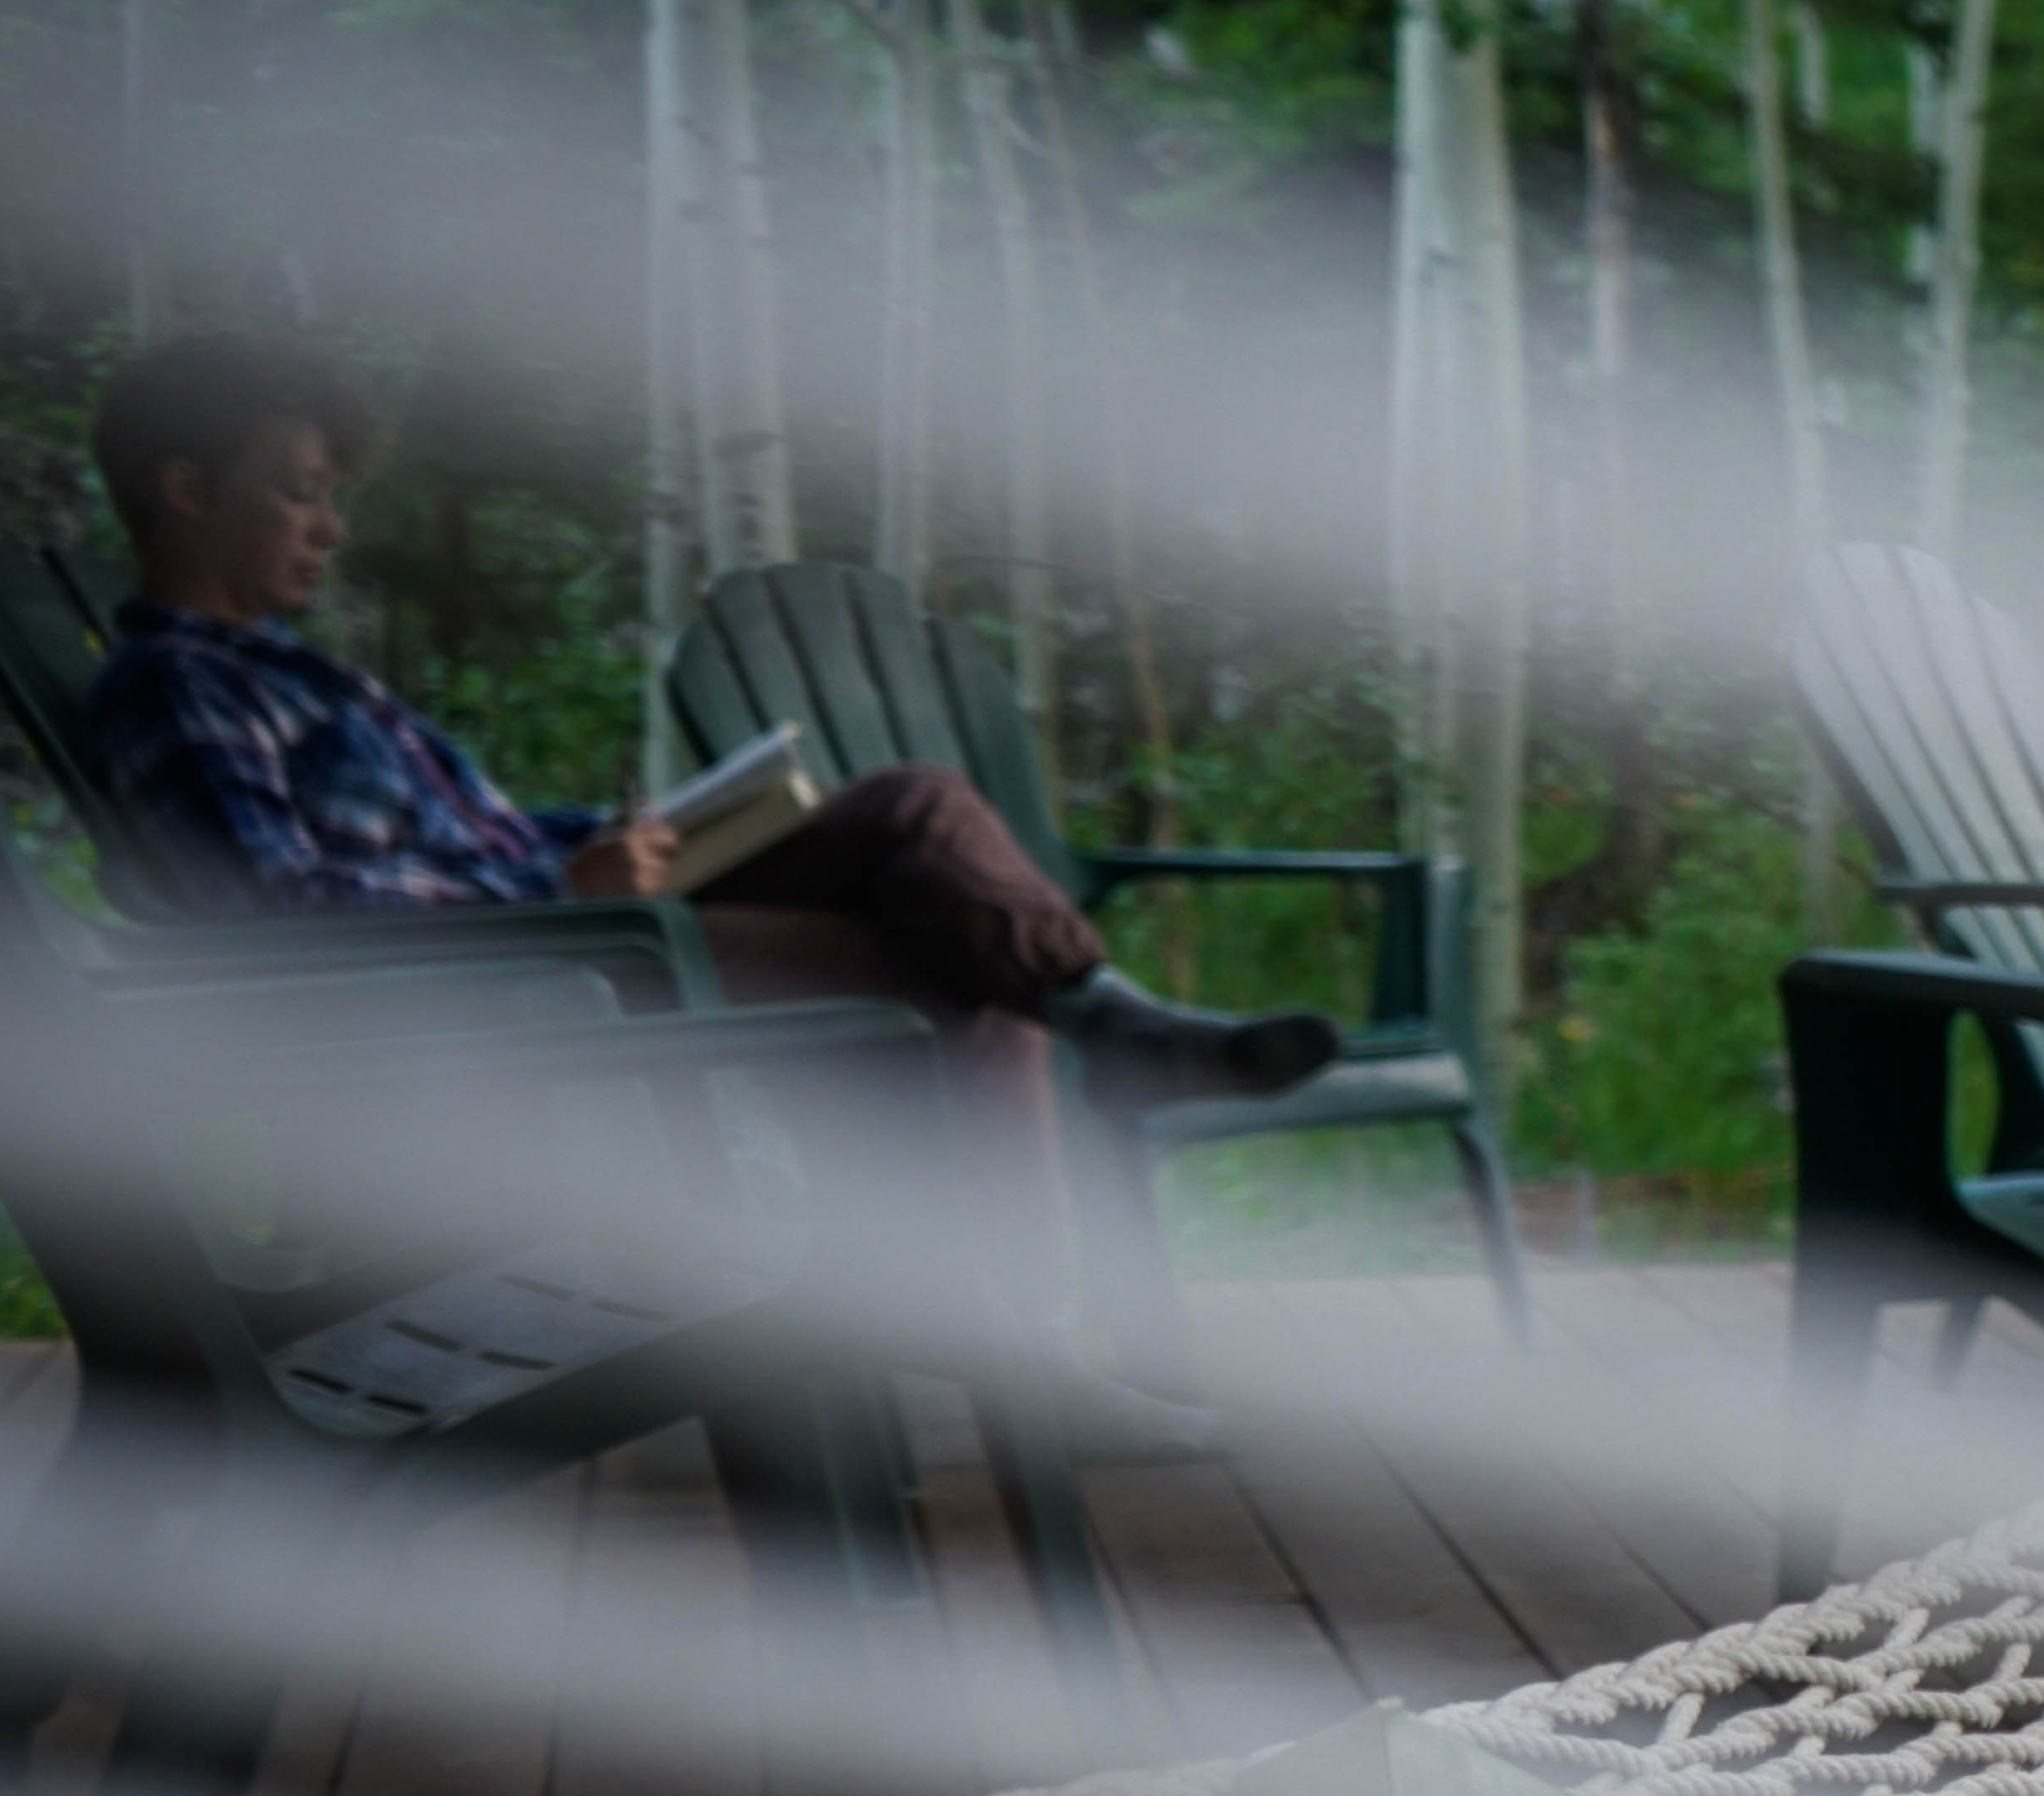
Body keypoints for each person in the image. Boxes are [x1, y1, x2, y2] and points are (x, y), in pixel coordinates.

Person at [68, 330, 1341, 1295]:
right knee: (940, 973)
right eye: (298, 490)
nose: (330, 526)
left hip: (561, 919)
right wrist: (557, 895)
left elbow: (457, 839)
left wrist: (614, 838)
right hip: (517, 974)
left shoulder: (296, 671)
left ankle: (1110, 1022)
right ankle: (1028, 1338)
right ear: (188, 490)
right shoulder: (178, 689)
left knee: (910, 805)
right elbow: (283, 913)